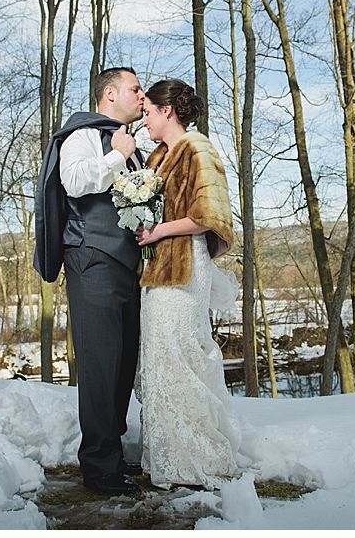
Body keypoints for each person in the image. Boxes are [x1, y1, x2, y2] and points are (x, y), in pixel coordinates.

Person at [34, 67, 146, 497]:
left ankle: (112, 454)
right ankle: (99, 469)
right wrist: (118, 154)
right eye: (135, 89)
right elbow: (76, 182)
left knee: (122, 362)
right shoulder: (81, 134)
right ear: (110, 94)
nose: (140, 96)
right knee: (99, 363)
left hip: (128, 266)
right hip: (92, 259)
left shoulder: (131, 145)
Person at [134, 79, 245, 491]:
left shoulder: (198, 149)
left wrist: (159, 230)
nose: (144, 119)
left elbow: (208, 217)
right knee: (159, 357)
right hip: (156, 269)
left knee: (180, 352)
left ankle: (200, 455)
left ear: (168, 111)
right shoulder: (157, 156)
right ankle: (168, 454)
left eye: (148, 112)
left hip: (184, 268)